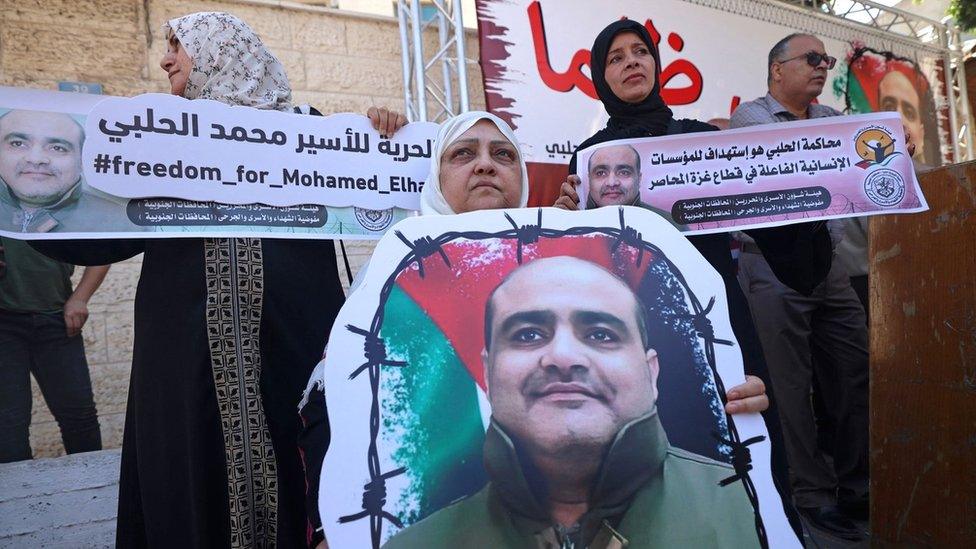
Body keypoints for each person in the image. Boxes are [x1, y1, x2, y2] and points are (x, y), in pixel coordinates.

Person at [300, 110, 771, 547]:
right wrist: (337, 521)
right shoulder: (391, 282)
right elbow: (342, 405)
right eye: (463, 153)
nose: (485, 165)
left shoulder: (728, 511)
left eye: (502, 154)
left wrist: (730, 397)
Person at [32, 12, 404, 548]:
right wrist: (27, 208)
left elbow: (391, 191)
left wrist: (389, 135)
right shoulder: (161, 142)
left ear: (220, 52)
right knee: (191, 481)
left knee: (301, 467)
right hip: (186, 367)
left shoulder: (309, 129)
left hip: (291, 351)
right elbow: (101, 234)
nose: (166, 60)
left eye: (179, 46)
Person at [552, 19, 808, 535]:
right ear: (602, 77)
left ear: (656, 64)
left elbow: (782, 235)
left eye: (640, 51)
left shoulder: (700, 141)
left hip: (717, 322)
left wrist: (827, 180)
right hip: (632, 334)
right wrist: (567, 218)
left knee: (745, 449)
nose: (631, 63)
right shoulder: (591, 160)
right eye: (615, 57)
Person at [383, 256, 761, 548]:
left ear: (652, 372)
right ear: (488, 372)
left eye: (600, 334)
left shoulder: (753, 510)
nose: (563, 356)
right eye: (529, 334)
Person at [729, 33, 877, 540]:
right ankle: (811, 495)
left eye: (826, 60)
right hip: (769, 263)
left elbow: (867, 163)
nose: (822, 67)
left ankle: (858, 483)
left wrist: (892, 152)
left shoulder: (833, 119)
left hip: (830, 263)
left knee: (854, 369)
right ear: (777, 70)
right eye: (812, 59)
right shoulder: (752, 118)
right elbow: (788, 164)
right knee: (789, 384)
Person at [0, 236, 107, 462]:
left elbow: (104, 247)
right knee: (9, 429)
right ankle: (21, 497)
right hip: (4, 323)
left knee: (80, 419)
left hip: (57, 319)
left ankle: (94, 491)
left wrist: (80, 297)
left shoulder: (63, 200)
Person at [0, 110, 133, 233]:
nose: (36, 159)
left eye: (57, 148)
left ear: (82, 160)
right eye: (17, 144)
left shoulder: (126, 224)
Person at [585, 143, 680, 227]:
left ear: (639, 179)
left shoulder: (671, 225)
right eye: (601, 173)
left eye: (624, 173)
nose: (612, 183)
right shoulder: (573, 218)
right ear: (589, 179)